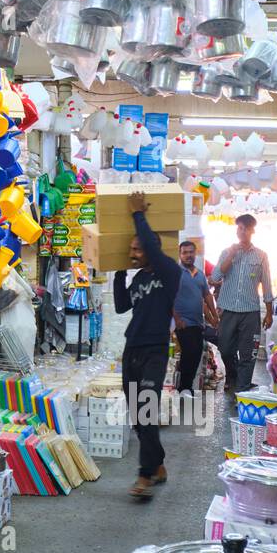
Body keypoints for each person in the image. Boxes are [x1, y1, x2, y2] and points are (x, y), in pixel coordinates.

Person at [113, 192, 181, 500]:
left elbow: (151, 246)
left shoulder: (170, 272)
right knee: (137, 414)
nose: (135, 253)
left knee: (146, 409)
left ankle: (145, 475)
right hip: (133, 349)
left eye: (138, 248)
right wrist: (117, 271)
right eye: (132, 249)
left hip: (155, 349)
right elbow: (120, 306)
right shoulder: (139, 277)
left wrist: (138, 214)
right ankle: (158, 463)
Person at [214, 214, 274, 395]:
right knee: (225, 349)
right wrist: (232, 255)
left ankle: (243, 388)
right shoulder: (227, 252)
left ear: (252, 231)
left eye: (245, 229)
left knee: (248, 353)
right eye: (239, 228)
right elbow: (216, 276)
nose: (242, 232)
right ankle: (232, 376)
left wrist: (269, 312)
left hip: (250, 312)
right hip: (228, 310)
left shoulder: (261, 255)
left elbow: (267, 284)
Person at [173, 239, 219, 395]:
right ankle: (184, 388)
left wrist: (214, 317)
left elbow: (206, 296)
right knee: (189, 354)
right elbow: (169, 297)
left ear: (195, 253)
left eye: (191, 252)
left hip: (198, 323)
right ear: (179, 255)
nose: (188, 255)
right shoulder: (175, 273)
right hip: (183, 323)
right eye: (184, 253)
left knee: (196, 354)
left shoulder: (200, 275)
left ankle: (186, 387)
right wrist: (177, 319)